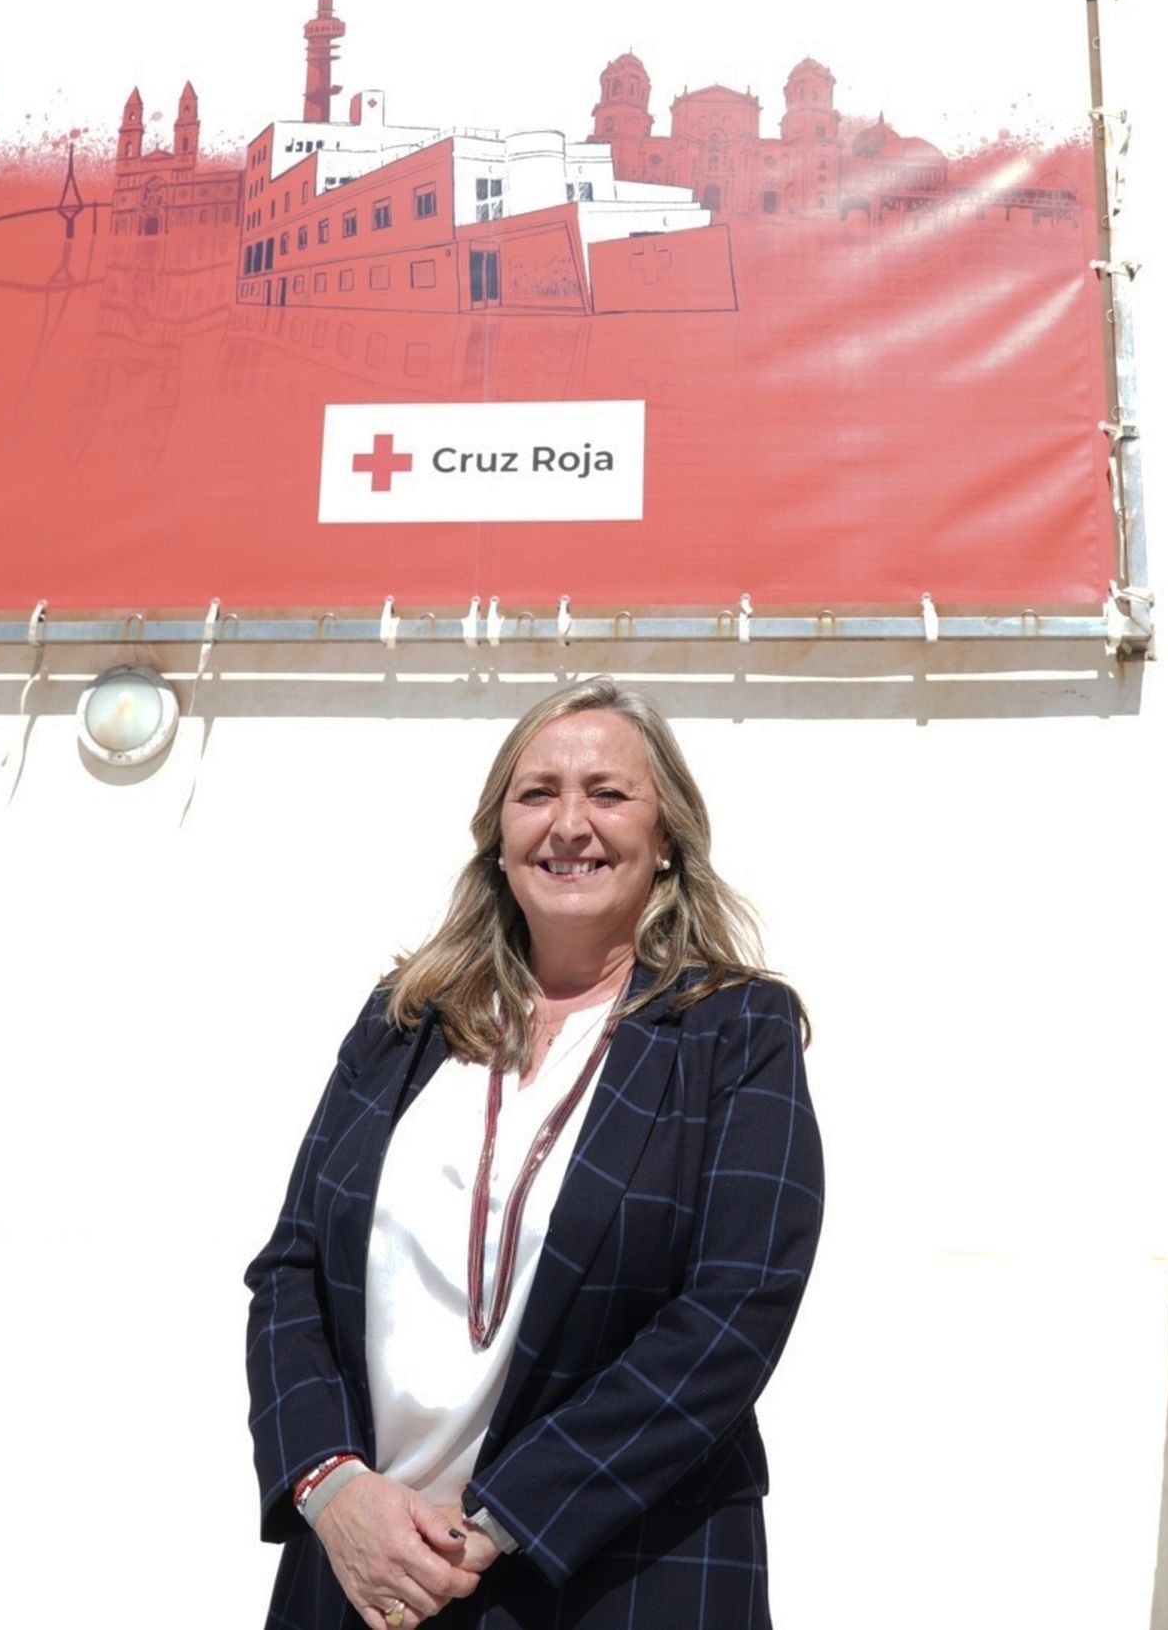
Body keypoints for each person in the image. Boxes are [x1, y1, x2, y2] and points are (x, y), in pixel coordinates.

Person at [246, 677, 823, 1630]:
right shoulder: (404, 1021)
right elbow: (292, 1269)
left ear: (668, 834)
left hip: (618, 1573)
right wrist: (328, 1486)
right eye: (537, 793)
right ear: (498, 835)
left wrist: (501, 1519)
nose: (569, 824)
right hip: (364, 1573)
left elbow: (733, 1313)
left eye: (607, 793)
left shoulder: (735, 1032)